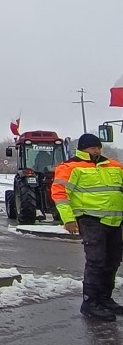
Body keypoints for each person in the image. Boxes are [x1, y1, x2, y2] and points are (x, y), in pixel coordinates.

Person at [51, 133, 123, 321]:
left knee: (112, 261)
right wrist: (69, 219)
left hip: (115, 221)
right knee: (96, 261)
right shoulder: (70, 167)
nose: (97, 151)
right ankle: (90, 303)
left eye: (98, 147)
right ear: (83, 149)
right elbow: (60, 194)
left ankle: (105, 299)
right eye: (93, 148)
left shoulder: (114, 166)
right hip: (90, 220)